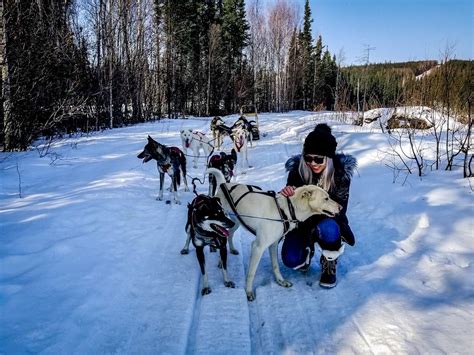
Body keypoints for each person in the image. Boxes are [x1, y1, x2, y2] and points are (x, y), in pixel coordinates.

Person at [280, 123, 356, 288]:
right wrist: (288, 194)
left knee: (329, 228)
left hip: (328, 221)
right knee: (291, 261)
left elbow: (338, 211)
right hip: (301, 223)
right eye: (308, 158)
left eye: (318, 159)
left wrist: (311, 219)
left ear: (328, 158)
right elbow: (291, 209)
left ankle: (329, 260)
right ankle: (307, 250)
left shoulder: (340, 175)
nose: (312, 163)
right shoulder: (297, 171)